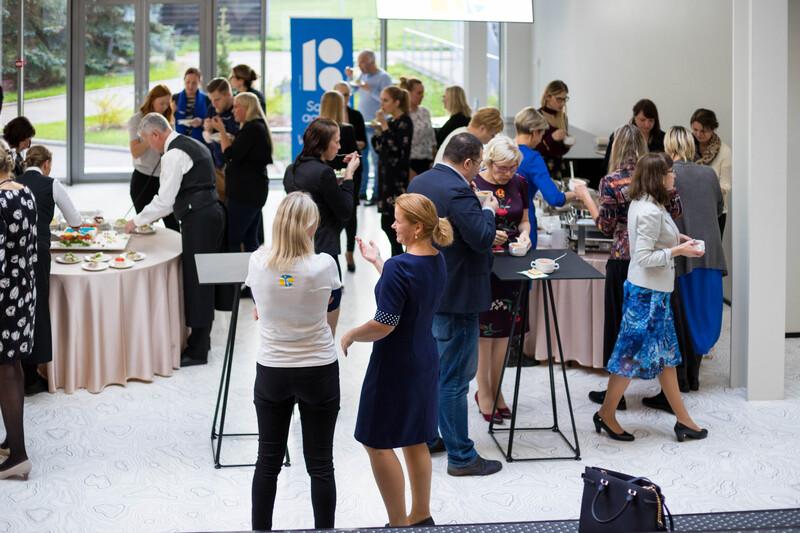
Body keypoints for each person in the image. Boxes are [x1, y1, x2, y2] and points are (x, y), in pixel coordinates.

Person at [341, 193, 451, 527]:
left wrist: (351, 334)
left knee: (374, 441)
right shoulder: (436, 259)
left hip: (395, 364)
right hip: (424, 356)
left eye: (398, 219)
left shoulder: (399, 267)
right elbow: (408, 293)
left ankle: (398, 523)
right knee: (415, 438)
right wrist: (378, 262)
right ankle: (421, 515)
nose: (392, 224)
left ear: (416, 228)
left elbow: (384, 324)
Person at [594, 152, 708, 443]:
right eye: (670, 172)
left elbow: (655, 238)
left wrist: (678, 239)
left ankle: (683, 420)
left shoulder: (649, 203)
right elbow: (643, 257)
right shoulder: (648, 210)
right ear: (658, 176)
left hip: (655, 294)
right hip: (646, 295)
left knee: (667, 356)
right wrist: (679, 251)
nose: (674, 176)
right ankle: (606, 413)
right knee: (628, 358)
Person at [408, 132, 503, 477]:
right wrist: (487, 209)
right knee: (455, 378)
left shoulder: (421, 182)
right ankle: (461, 456)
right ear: (467, 162)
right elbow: (481, 238)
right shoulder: (459, 191)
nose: (479, 171)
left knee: (436, 369)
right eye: (478, 164)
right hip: (459, 294)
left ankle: (433, 435)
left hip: (429, 287)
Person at [247, 192, 341, 531]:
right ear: (311, 226)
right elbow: (330, 306)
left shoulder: (258, 262)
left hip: (273, 369)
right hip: (318, 368)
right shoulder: (325, 265)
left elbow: (260, 305)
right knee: (321, 465)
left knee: (267, 461)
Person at [576, 124, 682, 410]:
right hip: (656, 259)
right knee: (659, 330)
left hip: (624, 258)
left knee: (620, 328)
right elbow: (676, 211)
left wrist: (586, 198)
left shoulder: (611, 181)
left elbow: (606, 226)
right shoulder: (656, 176)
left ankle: (616, 396)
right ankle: (665, 391)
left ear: (615, 148)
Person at [125, 113, 226, 367]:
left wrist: (135, 221)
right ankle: (202, 340)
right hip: (211, 213)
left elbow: (165, 201)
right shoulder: (191, 143)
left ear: (156, 134)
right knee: (204, 278)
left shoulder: (172, 155)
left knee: (197, 280)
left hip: (199, 219)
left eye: (148, 140)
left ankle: (198, 350)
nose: (150, 146)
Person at [472, 136, 531, 422]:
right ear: (489, 161)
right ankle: (484, 391)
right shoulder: (474, 184)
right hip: (483, 266)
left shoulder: (520, 182)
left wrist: (526, 235)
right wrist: (488, 232)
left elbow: (524, 219)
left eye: (512, 168)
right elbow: (469, 224)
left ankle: (497, 389)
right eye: (502, 167)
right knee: (485, 333)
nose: (507, 173)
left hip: (513, 263)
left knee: (506, 332)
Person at [284, 118, 360, 336]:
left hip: (296, 249)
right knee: (327, 315)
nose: (339, 146)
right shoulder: (324, 173)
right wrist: (349, 176)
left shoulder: (292, 170)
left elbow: (316, 194)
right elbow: (345, 211)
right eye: (336, 141)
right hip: (323, 247)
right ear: (323, 144)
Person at [665, 126, 727, 391]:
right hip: (709, 253)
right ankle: (694, 376)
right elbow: (719, 209)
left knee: (681, 314)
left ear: (668, 146)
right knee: (702, 314)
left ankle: (681, 377)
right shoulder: (709, 174)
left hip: (681, 255)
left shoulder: (667, 175)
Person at [15, 146, 81, 396]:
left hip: (14, 251)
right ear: (46, 164)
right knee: (38, 306)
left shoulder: (13, 183)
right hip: (38, 251)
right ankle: (32, 378)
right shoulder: (51, 184)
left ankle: (18, 369)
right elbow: (75, 220)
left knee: (18, 307)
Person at [0, 139, 37, 480]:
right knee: (12, 366)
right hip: (22, 291)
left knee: (6, 369)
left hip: (3, 296)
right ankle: (12, 442)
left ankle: (18, 456)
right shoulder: (25, 193)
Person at [213, 92, 273, 253]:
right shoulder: (255, 127)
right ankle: (253, 269)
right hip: (253, 192)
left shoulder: (252, 129)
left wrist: (222, 131)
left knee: (233, 239)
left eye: (236, 107)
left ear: (248, 108)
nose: (233, 110)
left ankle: (234, 270)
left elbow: (229, 156)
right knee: (250, 239)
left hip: (245, 194)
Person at [514, 106, 576, 247]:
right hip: (524, 221)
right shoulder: (533, 158)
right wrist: (577, 193)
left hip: (501, 221)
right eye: (542, 135)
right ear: (535, 132)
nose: (540, 140)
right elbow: (555, 199)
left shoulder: (504, 150)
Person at [128, 84, 180, 232]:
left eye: (167, 103)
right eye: (161, 103)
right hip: (143, 179)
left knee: (174, 226)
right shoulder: (136, 120)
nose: (164, 107)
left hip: (165, 178)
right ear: (152, 100)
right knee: (145, 228)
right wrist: (150, 136)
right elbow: (135, 152)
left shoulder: (168, 120)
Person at [344, 50, 393, 203]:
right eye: (358, 62)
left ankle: (377, 194)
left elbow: (387, 101)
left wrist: (369, 90)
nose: (359, 66)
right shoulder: (363, 75)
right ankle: (361, 192)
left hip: (376, 126)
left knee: (377, 160)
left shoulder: (384, 77)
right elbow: (352, 90)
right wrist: (350, 78)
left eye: (362, 62)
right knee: (361, 160)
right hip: (362, 125)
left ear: (371, 62)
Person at [372, 86, 413, 257]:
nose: (382, 104)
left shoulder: (405, 122)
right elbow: (379, 148)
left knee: (393, 221)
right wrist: (379, 130)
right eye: (381, 100)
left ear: (396, 102)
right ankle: (397, 256)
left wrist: (384, 125)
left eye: (385, 100)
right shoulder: (392, 122)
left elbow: (396, 149)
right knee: (386, 222)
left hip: (396, 178)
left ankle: (399, 256)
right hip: (385, 177)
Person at [334, 82, 368, 271]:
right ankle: (335, 253)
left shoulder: (355, 116)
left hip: (352, 168)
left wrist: (354, 144)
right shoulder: (328, 120)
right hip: (335, 171)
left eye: (346, 95)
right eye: (340, 95)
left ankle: (349, 251)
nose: (344, 99)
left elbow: (363, 143)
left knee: (351, 211)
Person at [690, 108, 732, 236]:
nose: (698, 134)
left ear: (712, 129)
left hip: (715, 211)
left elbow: (726, 185)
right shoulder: (688, 147)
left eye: (703, 131)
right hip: (691, 210)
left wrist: (705, 193)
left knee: (712, 247)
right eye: (695, 129)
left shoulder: (724, 151)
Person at [603, 99, 665, 173]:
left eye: (651, 120)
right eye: (642, 120)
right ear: (634, 117)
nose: (647, 124)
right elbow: (607, 164)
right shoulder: (619, 136)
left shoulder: (663, 138)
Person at [204, 77, 239, 202]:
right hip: (217, 165)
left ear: (229, 94)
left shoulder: (238, 108)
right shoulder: (211, 109)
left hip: (236, 168)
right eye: (211, 100)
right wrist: (207, 129)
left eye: (217, 99)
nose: (214, 104)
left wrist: (222, 130)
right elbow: (208, 138)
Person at [434, 107, 504, 164]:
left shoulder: (461, 131)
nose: (492, 139)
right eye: (492, 135)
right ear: (482, 128)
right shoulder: (466, 141)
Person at [400, 77, 436, 179]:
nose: (422, 96)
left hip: (427, 162)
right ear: (408, 93)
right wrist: (407, 169)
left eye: (423, 93)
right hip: (410, 163)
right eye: (419, 93)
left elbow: (432, 139)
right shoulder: (403, 115)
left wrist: (434, 161)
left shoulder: (425, 112)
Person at [536, 80, 571, 181]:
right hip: (540, 169)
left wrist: (567, 145)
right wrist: (552, 138)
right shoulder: (537, 116)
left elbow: (560, 151)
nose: (562, 103)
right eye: (559, 99)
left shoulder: (563, 118)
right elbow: (532, 149)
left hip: (559, 170)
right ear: (548, 97)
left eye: (565, 99)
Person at [172, 68, 210, 142]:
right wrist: (173, 112)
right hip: (179, 139)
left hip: (200, 141)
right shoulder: (175, 98)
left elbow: (210, 121)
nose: (190, 86)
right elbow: (170, 121)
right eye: (188, 82)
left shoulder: (207, 99)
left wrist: (201, 122)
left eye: (194, 83)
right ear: (184, 81)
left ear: (199, 83)